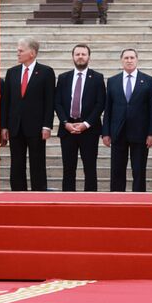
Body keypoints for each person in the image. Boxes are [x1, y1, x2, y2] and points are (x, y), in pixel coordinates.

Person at [0, 38, 55, 191]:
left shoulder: (46, 72)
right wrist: (4, 126)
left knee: (37, 163)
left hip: (36, 127)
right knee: (16, 163)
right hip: (15, 126)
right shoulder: (12, 72)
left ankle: (39, 194)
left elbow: (50, 101)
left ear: (32, 53)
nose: (17, 53)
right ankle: (17, 194)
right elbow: (6, 101)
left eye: (20, 51)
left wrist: (47, 126)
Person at [103, 48, 152, 192]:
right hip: (117, 132)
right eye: (126, 58)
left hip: (140, 133)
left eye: (132, 57)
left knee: (139, 170)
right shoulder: (113, 81)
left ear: (137, 59)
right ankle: (116, 199)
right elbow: (108, 109)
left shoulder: (149, 81)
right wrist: (106, 133)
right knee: (117, 170)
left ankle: (139, 199)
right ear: (121, 60)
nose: (129, 60)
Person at [54, 44, 105, 192]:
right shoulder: (64, 78)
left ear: (89, 57)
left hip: (89, 130)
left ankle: (91, 199)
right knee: (68, 168)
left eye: (83, 54)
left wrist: (86, 123)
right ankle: (68, 199)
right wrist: (65, 122)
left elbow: (100, 103)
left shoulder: (97, 78)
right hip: (67, 129)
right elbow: (57, 102)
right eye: (77, 54)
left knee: (90, 168)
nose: (80, 57)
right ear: (73, 57)